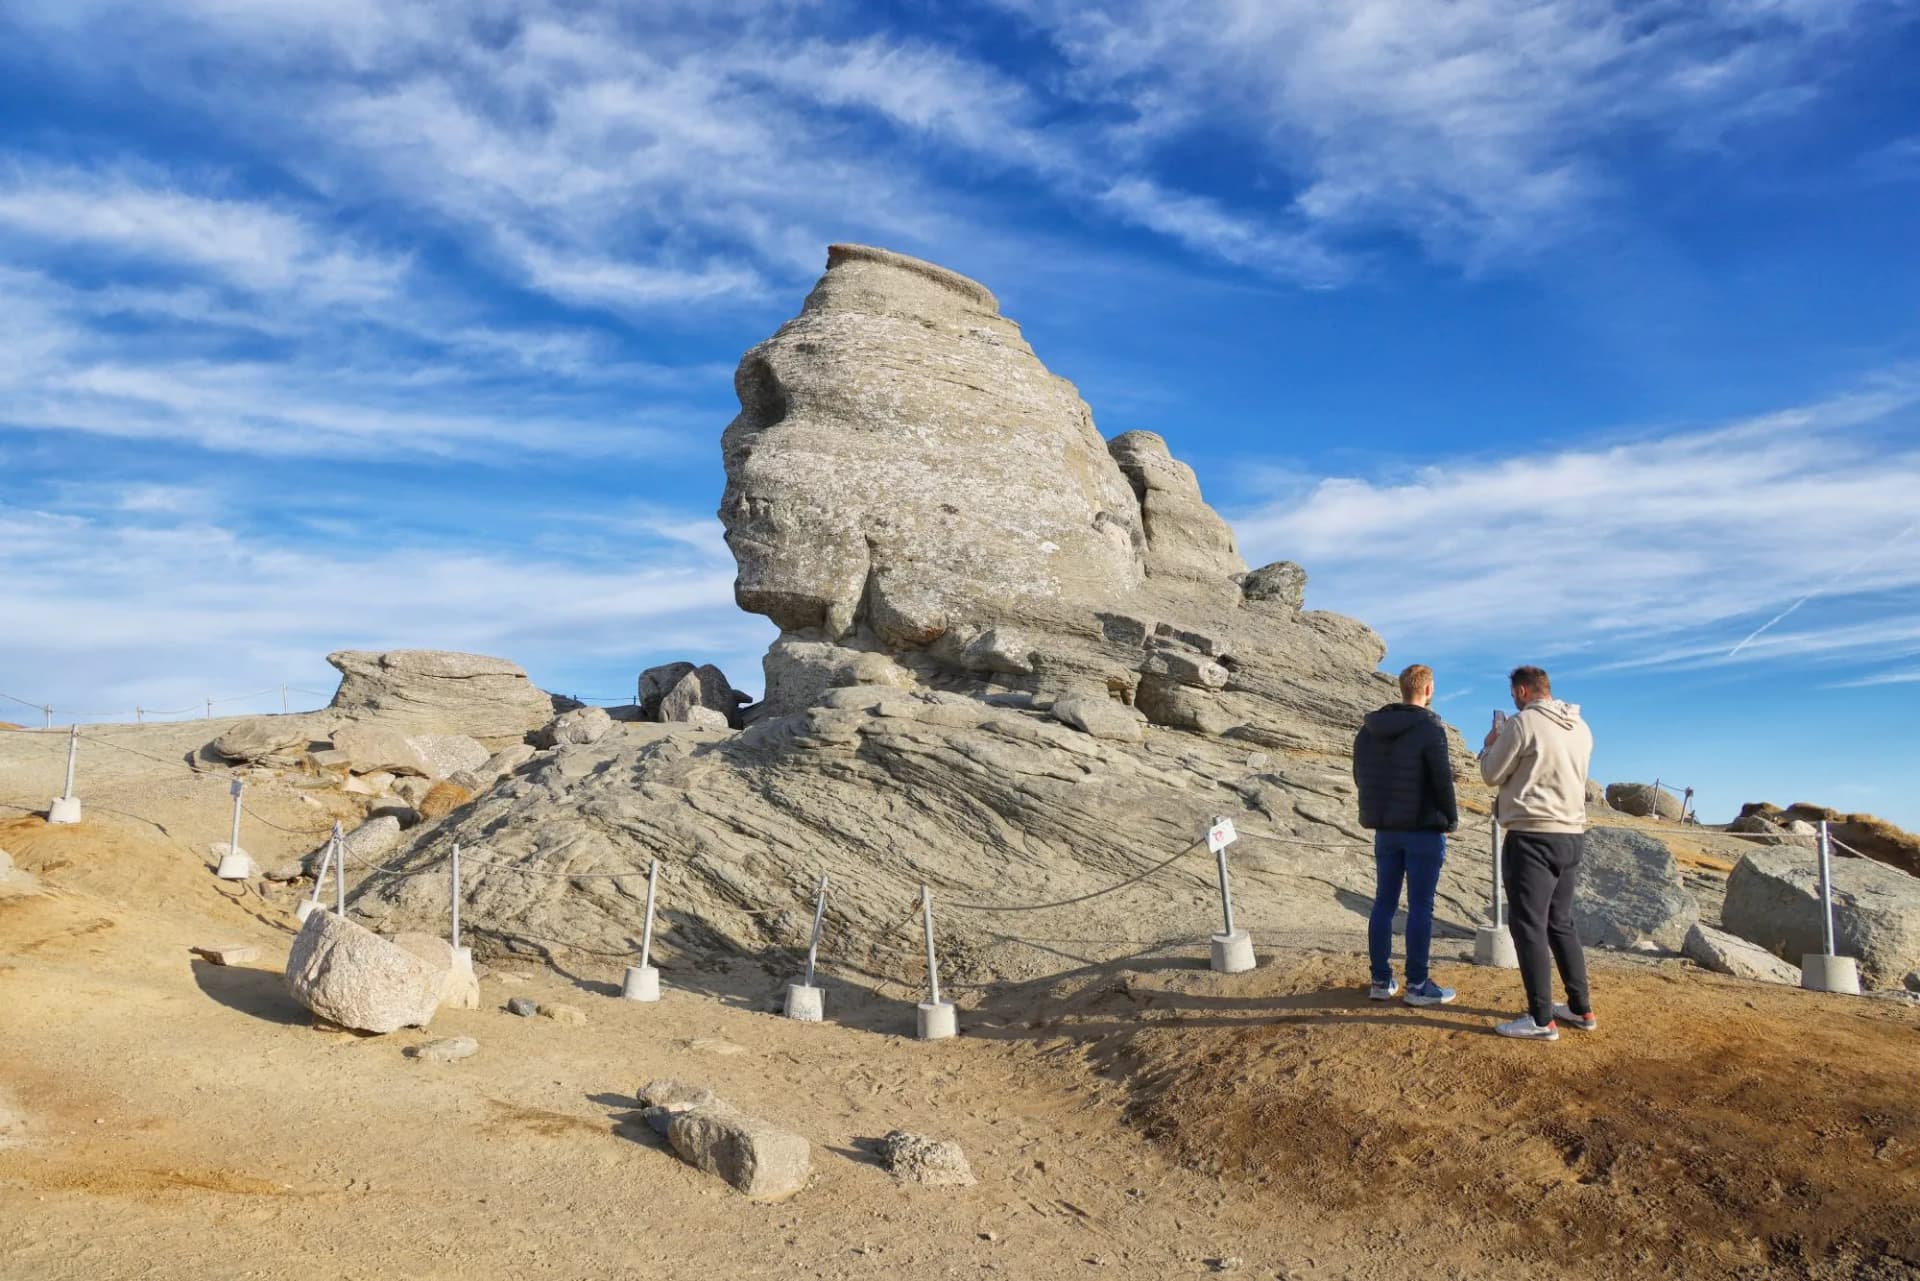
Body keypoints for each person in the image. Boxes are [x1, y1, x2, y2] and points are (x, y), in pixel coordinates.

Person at [1479, 665, 1596, 1041]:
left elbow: (1491, 774)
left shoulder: (1522, 724)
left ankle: (1541, 1018)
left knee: (1528, 925)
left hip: (1531, 835)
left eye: (1514, 694)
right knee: (1560, 923)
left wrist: (1491, 743)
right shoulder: (1581, 727)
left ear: (1522, 691)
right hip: (1571, 835)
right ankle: (1580, 1008)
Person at [1352, 663, 1458, 1006]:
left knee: (1383, 903)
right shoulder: (1430, 727)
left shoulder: (1369, 730)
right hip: (1423, 829)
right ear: (1428, 689)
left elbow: (1360, 776)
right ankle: (1417, 985)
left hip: (1386, 830)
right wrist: (1450, 820)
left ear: (1402, 688)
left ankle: (1380, 981)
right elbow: (1442, 781)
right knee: (1420, 907)